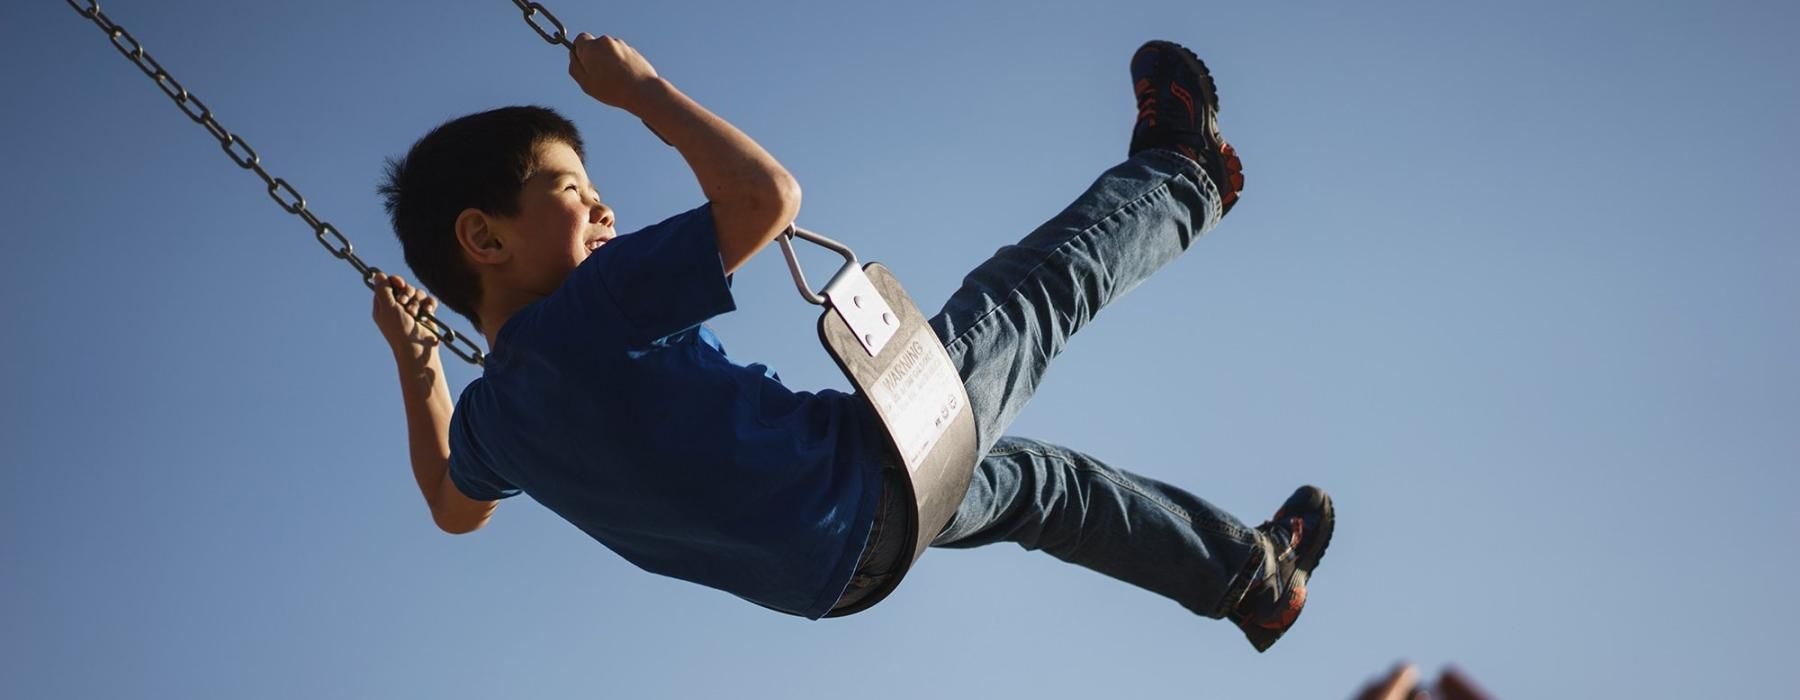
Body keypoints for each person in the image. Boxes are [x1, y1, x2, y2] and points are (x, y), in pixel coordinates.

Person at [370, 33, 1332, 651]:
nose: (602, 204)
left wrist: (421, 373)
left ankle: (1249, 577)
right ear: (485, 238)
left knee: (1048, 490)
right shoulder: (588, 313)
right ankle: (1184, 177)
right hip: (861, 478)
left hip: (833, 572)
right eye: (571, 189)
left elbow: (454, 506)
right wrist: (642, 91)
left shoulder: (495, 416)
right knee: (1028, 300)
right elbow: (764, 200)